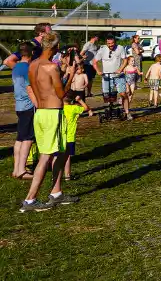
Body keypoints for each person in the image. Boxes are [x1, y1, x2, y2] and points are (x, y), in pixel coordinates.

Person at [21, 31, 81, 212]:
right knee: (46, 156)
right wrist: (70, 75)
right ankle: (30, 200)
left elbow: (35, 86)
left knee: (61, 152)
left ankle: (56, 192)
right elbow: (61, 94)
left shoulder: (32, 65)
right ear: (54, 47)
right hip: (52, 114)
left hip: (40, 112)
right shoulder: (51, 67)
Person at [11, 43, 36, 180]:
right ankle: (21, 170)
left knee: (20, 138)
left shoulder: (16, 67)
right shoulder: (28, 68)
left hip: (19, 106)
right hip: (28, 106)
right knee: (27, 139)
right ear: (31, 53)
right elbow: (30, 89)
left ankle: (16, 169)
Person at [95, 36, 130, 120]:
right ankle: (110, 111)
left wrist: (120, 69)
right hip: (107, 76)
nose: (110, 45)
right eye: (108, 43)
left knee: (123, 94)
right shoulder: (102, 49)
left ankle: (127, 112)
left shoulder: (120, 48)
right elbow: (94, 61)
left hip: (118, 75)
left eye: (112, 43)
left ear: (115, 42)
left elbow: (125, 60)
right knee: (108, 96)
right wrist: (98, 71)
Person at [125, 35, 143, 107]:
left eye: (139, 38)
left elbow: (141, 50)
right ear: (134, 38)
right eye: (138, 38)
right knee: (134, 72)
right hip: (136, 60)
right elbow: (138, 52)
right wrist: (141, 50)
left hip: (139, 59)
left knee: (137, 72)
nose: (139, 39)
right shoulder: (134, 44)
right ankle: (133, 85)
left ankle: (135, 85)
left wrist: (141, 50)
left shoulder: (138, 44)